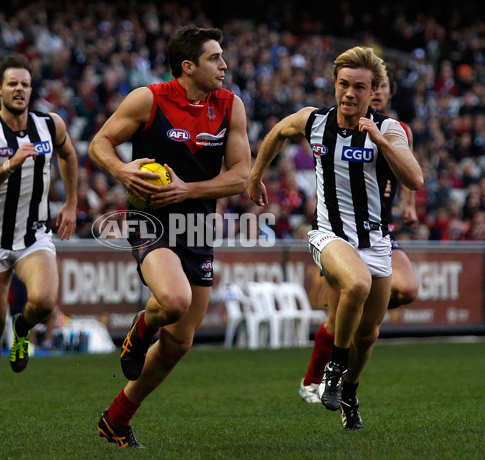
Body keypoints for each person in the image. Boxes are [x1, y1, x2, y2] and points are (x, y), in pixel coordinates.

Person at [88, 25, 251, 448]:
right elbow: (100, 143)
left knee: (179, 343)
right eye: (216, 58)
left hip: (197, 226)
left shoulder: (231, 106)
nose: (224, 65)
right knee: (174, 301)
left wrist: (189, 190)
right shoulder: (149, 99)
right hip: (151, 221)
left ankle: (116, 419)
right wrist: (122, 170)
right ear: (188, 66)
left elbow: (240, 176)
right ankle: (140, 332)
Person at [248, 46, 423, 430]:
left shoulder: (389, 129)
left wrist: (380, 139)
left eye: (359, 87)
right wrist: (255, 174)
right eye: (343, 84)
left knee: (369, 333)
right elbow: (278, 131)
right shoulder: (315, 121)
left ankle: (349, 390)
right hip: (329, 234)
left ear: (373, 89)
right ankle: (333, 369)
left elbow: (415, 179)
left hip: (376, 241)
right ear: (334, 84)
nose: (349, 93)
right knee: (356, 284)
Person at [0, 54, 78, 419]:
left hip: (33, 236)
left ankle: (24, 327)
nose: (20, 90)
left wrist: (72, 204)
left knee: (44, 302)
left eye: (25, 84)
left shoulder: (50, 124)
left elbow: (69, 155)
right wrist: (10, 164)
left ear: (31, 89)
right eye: (12, 84)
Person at [298, 72, 420, 407]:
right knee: (343, 307)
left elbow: (411, 172)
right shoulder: (333, 124)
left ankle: (352, 328)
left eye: (379, 90)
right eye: (370, 89)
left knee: (404, 291)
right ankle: (314, 379)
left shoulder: (392, 130)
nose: (374, 95)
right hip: (337, 232)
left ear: (386, 94)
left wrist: (409, 204)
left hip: (379, 229)